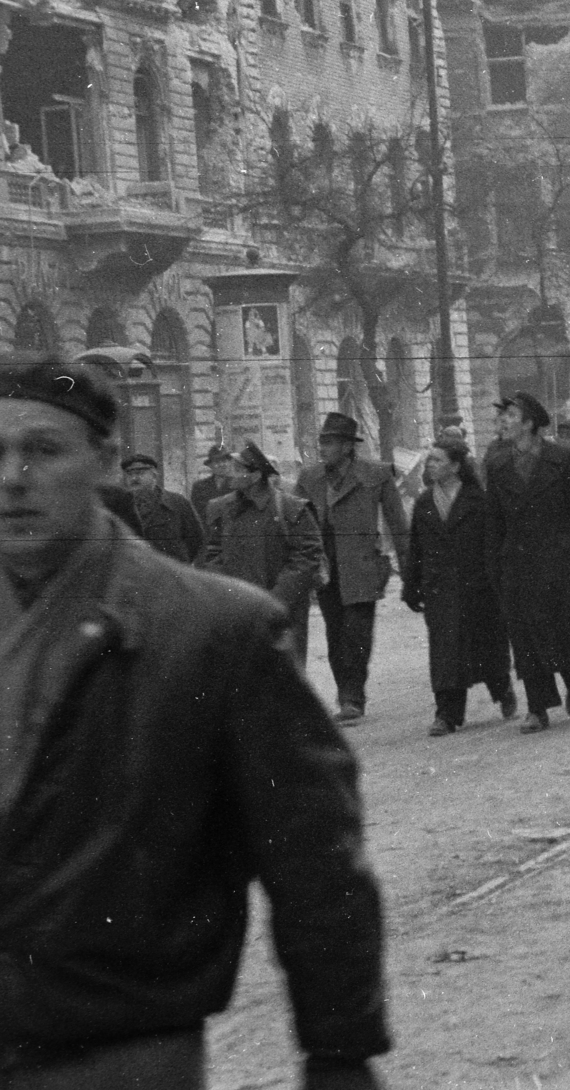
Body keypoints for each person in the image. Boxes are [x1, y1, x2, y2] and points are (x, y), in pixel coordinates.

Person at [0, 357, 388, 1089]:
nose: (12, 476)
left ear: (107, 460)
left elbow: (315, 863)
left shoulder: (213, 633)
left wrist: (339, 1052)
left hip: (117, 1053)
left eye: (44, 449)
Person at [484, 392, 570, 730]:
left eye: (511, 414)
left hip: (558, 560)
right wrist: (493, 566)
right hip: (516, 563)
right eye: (502, 415)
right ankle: (538, 707)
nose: (504, 420)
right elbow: (494, 522)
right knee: (524, 634)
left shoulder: (565, 459)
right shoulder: (497, 464)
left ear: (529, 422)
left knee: (559, 628)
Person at [295, 413, 409, 724]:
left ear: (347, 446)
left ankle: (352, 697)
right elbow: (296, 526)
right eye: (321, 441)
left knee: (357, 635)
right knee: (335, 636)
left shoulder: (376, 475)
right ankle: (345, 694)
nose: (322, 448)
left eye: (329, 442)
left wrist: (411, 574)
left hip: (361, 566)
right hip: (326, 570)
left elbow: (399, 527)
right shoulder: (309, 479)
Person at [402, 435, 516, 735]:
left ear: (455, 466)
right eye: (430, 460)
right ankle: (447, 714)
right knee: (444, 651)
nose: (430, 465)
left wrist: (498, 580)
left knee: (486, 646)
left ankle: (502, 689)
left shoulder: (478, 500)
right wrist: (410, 584)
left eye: (437, 460)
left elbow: (493, 543)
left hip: (477, 588)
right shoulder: (425, 501)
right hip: (439, 588)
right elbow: (416, 547)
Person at [201, 442, 324, 665]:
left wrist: (275, 600)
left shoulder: (291, 507)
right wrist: (227, 594)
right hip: (238, 611)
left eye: (238, 469)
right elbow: (213, 552)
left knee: (284, 677)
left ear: (256, 476)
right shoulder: (223, 509)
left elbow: (307, 555)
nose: (231, 474)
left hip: (283, 612)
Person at [121, 451, 204, 563]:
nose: (134, 478)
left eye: (140, 473)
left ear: (154, 474)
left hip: (171, 571)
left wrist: (180, 563)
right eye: (130, 474)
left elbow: (196, 539)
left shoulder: (177, 503)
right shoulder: (120, 506)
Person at [189, 441, 232, 513]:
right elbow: (197, 513)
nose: (221, 464)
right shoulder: (199, 487)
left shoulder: (239, 484)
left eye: (224, 461)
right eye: (217, 462)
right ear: (210, 465)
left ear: (229, 462)